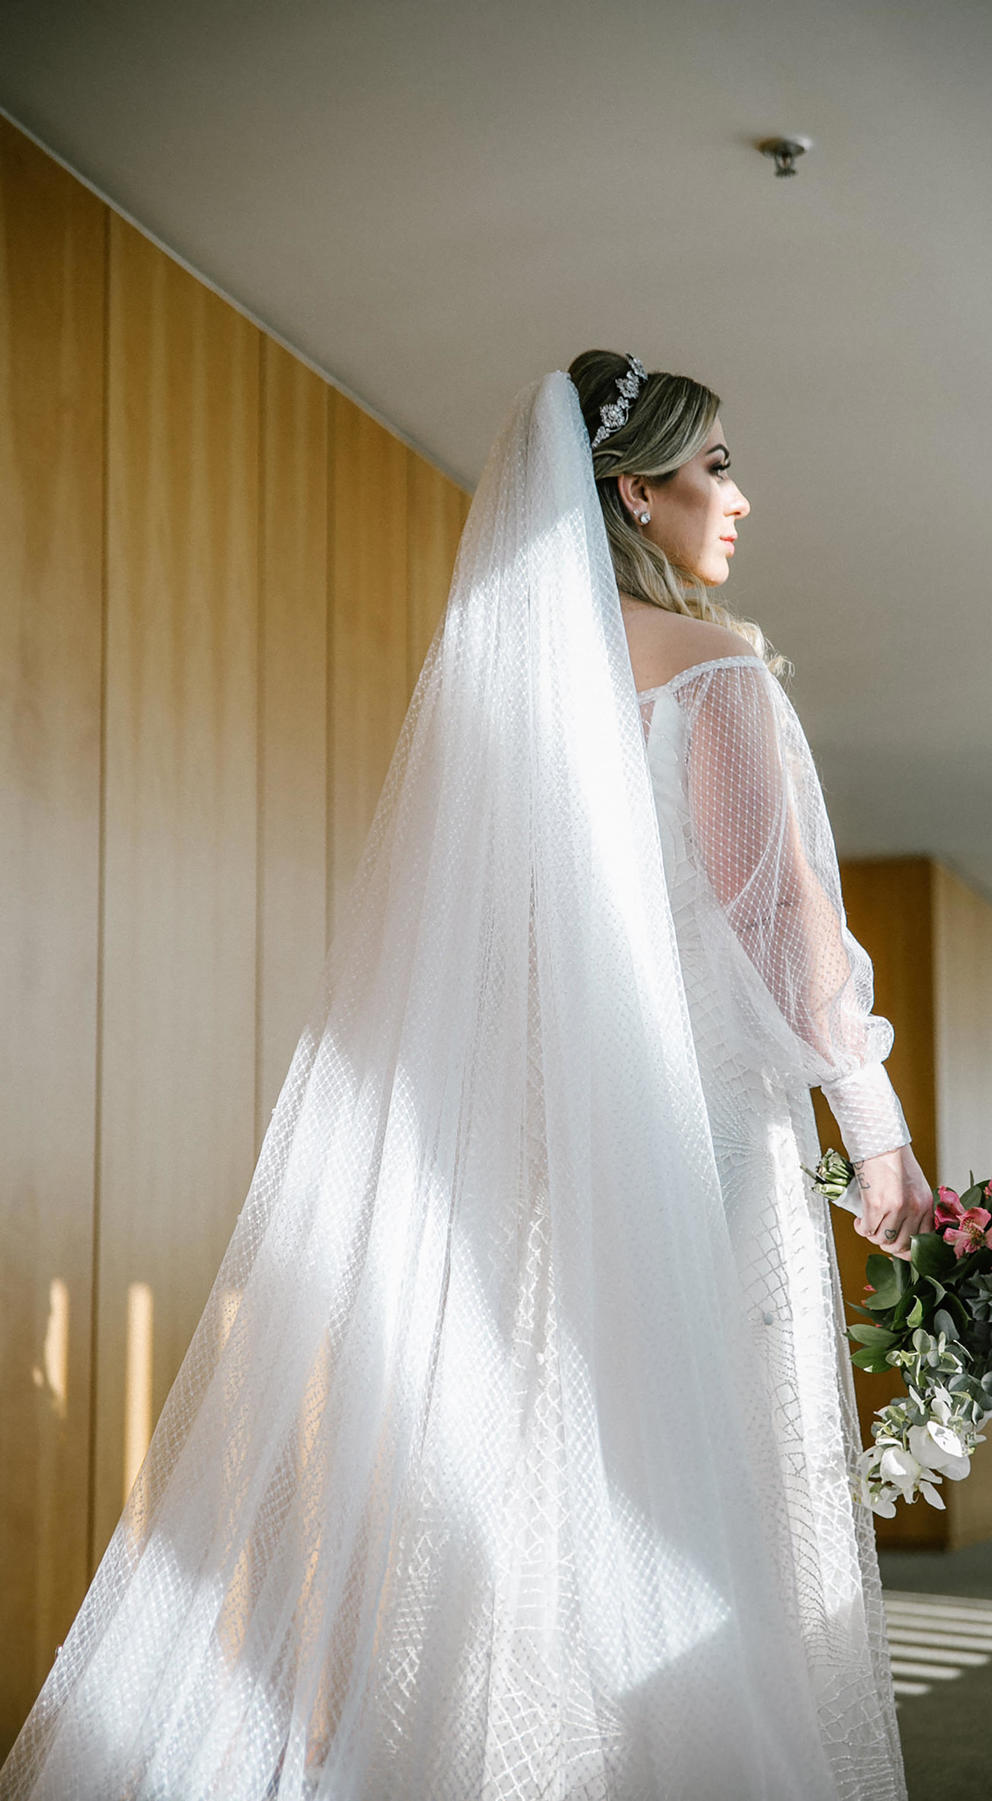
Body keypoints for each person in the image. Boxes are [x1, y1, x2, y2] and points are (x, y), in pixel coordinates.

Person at [0, 353, 931, 1801]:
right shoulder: (716, 668)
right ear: (636, 492)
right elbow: (783, 918)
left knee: (537, 1455)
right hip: (694, 1126)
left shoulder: (514, 684)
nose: (741, 498)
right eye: (714, 467)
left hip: (532, 1133)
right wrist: (873, 1124)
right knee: (705, 1464)